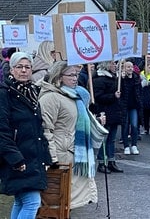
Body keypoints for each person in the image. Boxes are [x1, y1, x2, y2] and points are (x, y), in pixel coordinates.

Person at [38, 61, 100, 209]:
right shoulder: (51, 98)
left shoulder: (74, 95)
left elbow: (76, 122)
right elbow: (46, 129)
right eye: (71, 75)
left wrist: (96, 121)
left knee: (67, 202)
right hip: (60, 156)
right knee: (58, 202)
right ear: (59, 77)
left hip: (73, 154)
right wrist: (52, 158)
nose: (75, 78)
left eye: (76, 75)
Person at [0, 52, 52, 219]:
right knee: (32, 202)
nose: (23, 70)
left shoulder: (33, 92)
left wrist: (46, 156)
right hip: (16, 158)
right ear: (11, 70)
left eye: (27, 67)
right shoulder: (4, 93)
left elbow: (37, 128)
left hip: (33, 156)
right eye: (19, 67)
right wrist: (15, 158)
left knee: (22, 201)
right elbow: (2, 130)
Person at [92, 61, 124, 174]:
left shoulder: (114, 78)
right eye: (112, 64)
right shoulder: (99, 80)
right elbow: (98, 97)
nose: (115, 66)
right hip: (105, 112)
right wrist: (113, 96)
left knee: (112, 139)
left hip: (114, 112)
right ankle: (102, 162)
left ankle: (111, 160)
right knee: (104, 139)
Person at [120, 61, 143, 155]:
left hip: (134, 106)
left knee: (134, 125)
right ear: (124, 68)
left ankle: (134, 145)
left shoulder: (137, 78)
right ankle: (126, 146)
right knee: (125, 126)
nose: (130, 69)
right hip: (124, 106)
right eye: (128, 67)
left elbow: (140, 91)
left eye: (131, 67)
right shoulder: (121, 80)